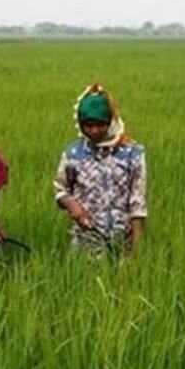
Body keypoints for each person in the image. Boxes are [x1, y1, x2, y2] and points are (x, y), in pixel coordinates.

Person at [54, 83, 147, 255]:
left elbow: (138, 203)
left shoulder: (132, 153)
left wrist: (135, 252)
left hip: (122, 243)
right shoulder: (73, 154)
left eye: (100, 125)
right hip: (85, 243)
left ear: (111, 121)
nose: (94, 131)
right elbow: (61, 189)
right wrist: (71, 203)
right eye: (88, 125)